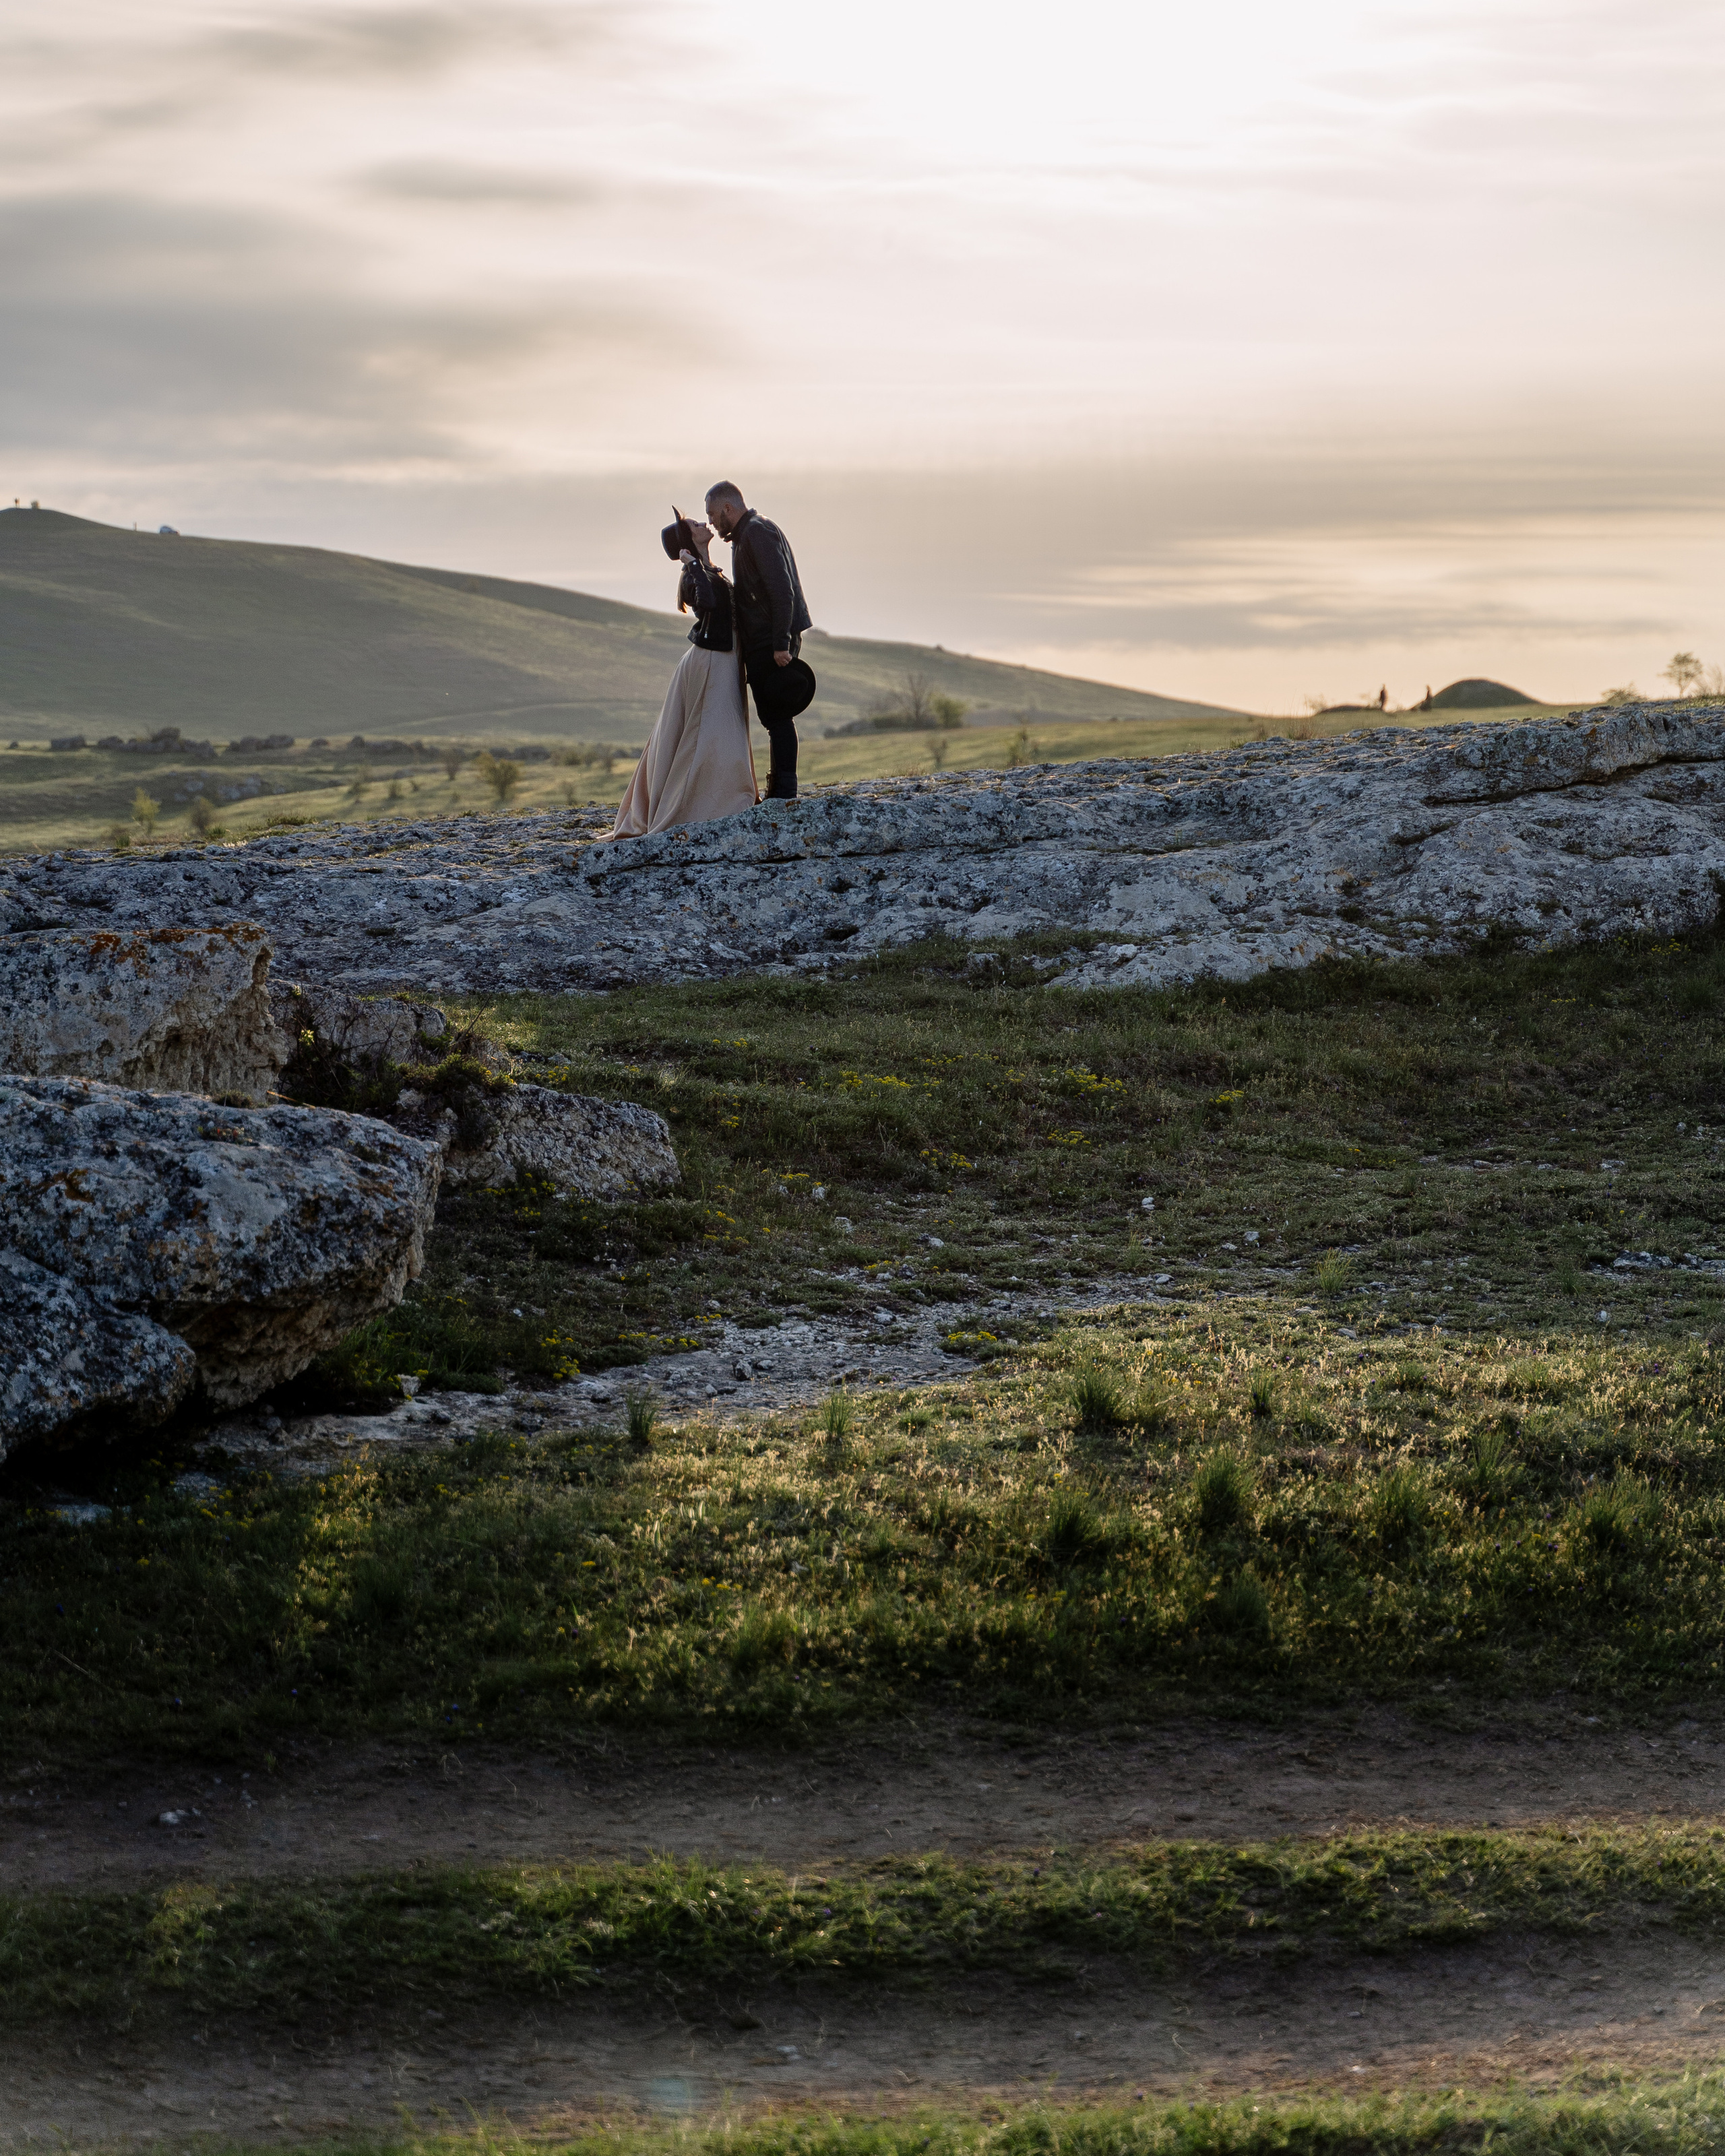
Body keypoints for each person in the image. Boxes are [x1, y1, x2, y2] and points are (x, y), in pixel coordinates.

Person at [608, 510, 757, 837]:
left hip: (723, 659)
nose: (703, 524)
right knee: (713, 734)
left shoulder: (709, 569)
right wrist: (691, 564)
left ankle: (720, 799)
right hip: (710, 662)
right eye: (694, 525)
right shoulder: (693, 576)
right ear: (688, 541)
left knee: (719, 732)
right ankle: (714, 804)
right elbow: (707, 604)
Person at [704, 480, 814, 798]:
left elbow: (782, 591)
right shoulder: (748, 533)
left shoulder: (755, 533)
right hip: (767, 638)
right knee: (774, 716)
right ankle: (780, 787)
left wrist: (781, 643)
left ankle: (785, 793)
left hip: (771, 639)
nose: (711, 521)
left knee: (777, 715)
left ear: (728, 508)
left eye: (712, 514)